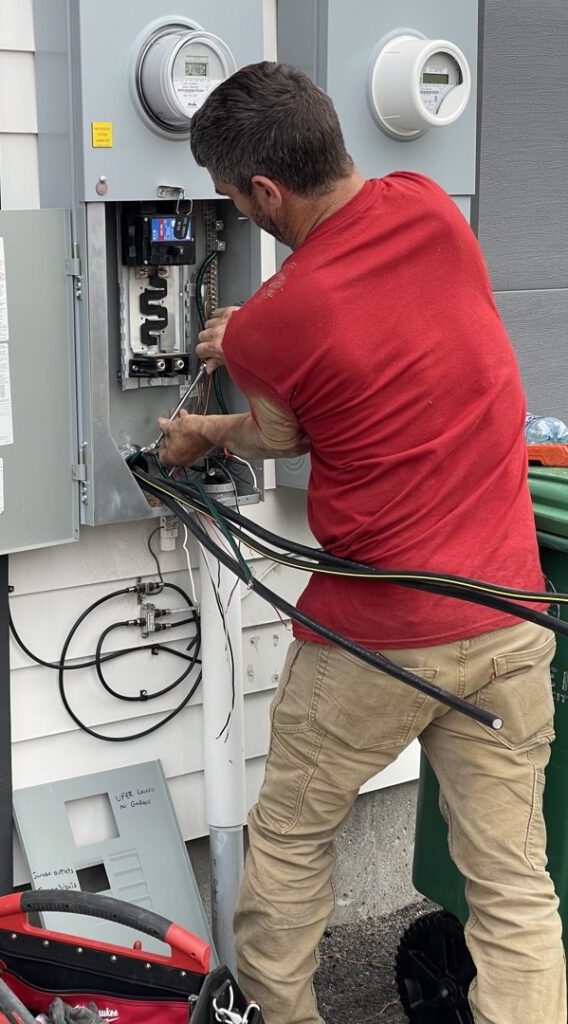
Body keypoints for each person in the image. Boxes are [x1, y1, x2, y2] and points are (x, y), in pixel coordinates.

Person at [157, 62, 565, 1024]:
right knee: (512, 881)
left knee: (294, 841)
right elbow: (368, 330)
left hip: (374, 636)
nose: (235, 211)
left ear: (263, 190)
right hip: (511, 615)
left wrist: (202, 427)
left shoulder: (278, 324)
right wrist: (256, 334)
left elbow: (279, 435)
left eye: (229, 198)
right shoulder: (430, 208)